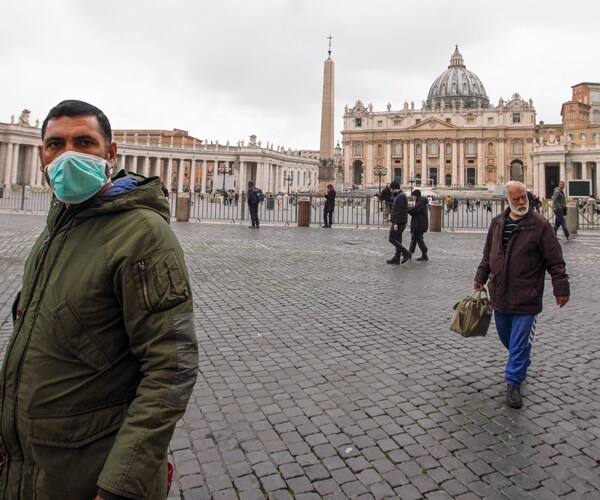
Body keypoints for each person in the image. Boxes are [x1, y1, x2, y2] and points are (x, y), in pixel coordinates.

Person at [0, 100, 199, 499]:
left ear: (110, 153)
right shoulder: (55, 229)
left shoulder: (143, 234)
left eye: (84, 142)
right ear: (42, 153)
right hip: (33, 466)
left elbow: (172, 365)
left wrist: (119, 487)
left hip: (89, 471)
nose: (68, 154)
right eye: (55, 144)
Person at [474, 181, 570, 409]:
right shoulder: (497, 223)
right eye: (516, 199)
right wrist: (480, 276)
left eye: (524, 198)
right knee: (506, 335)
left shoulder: (540, 225)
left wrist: (561, 287)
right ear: (507, 199)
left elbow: (555, 260)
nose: (521, 202)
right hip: (500, 290)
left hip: (528, 293)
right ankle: (521, 358)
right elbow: (489, 254)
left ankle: (514, 382)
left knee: (518, 341)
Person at [386, 180, 411, 264]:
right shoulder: (399, 196)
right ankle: (397, 257)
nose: (390, 191)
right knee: (398, 239)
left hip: (399, 222)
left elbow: (400, 211)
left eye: (391, 189)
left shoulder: (400, 196)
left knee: (392, 238)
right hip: (400, 221)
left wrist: (396, 223)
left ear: (394, 188)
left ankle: (406, 253)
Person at [408, 189, 429, 261]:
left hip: (419, 223)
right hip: (418, 223)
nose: (412, 197)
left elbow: (414, 210)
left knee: (418, 238)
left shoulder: (420, 203)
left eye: (413, 196)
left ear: (416, 196)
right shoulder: (420, 202)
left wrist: (407, 209)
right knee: (414, 238)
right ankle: (410, 253)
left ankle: (424, 250)